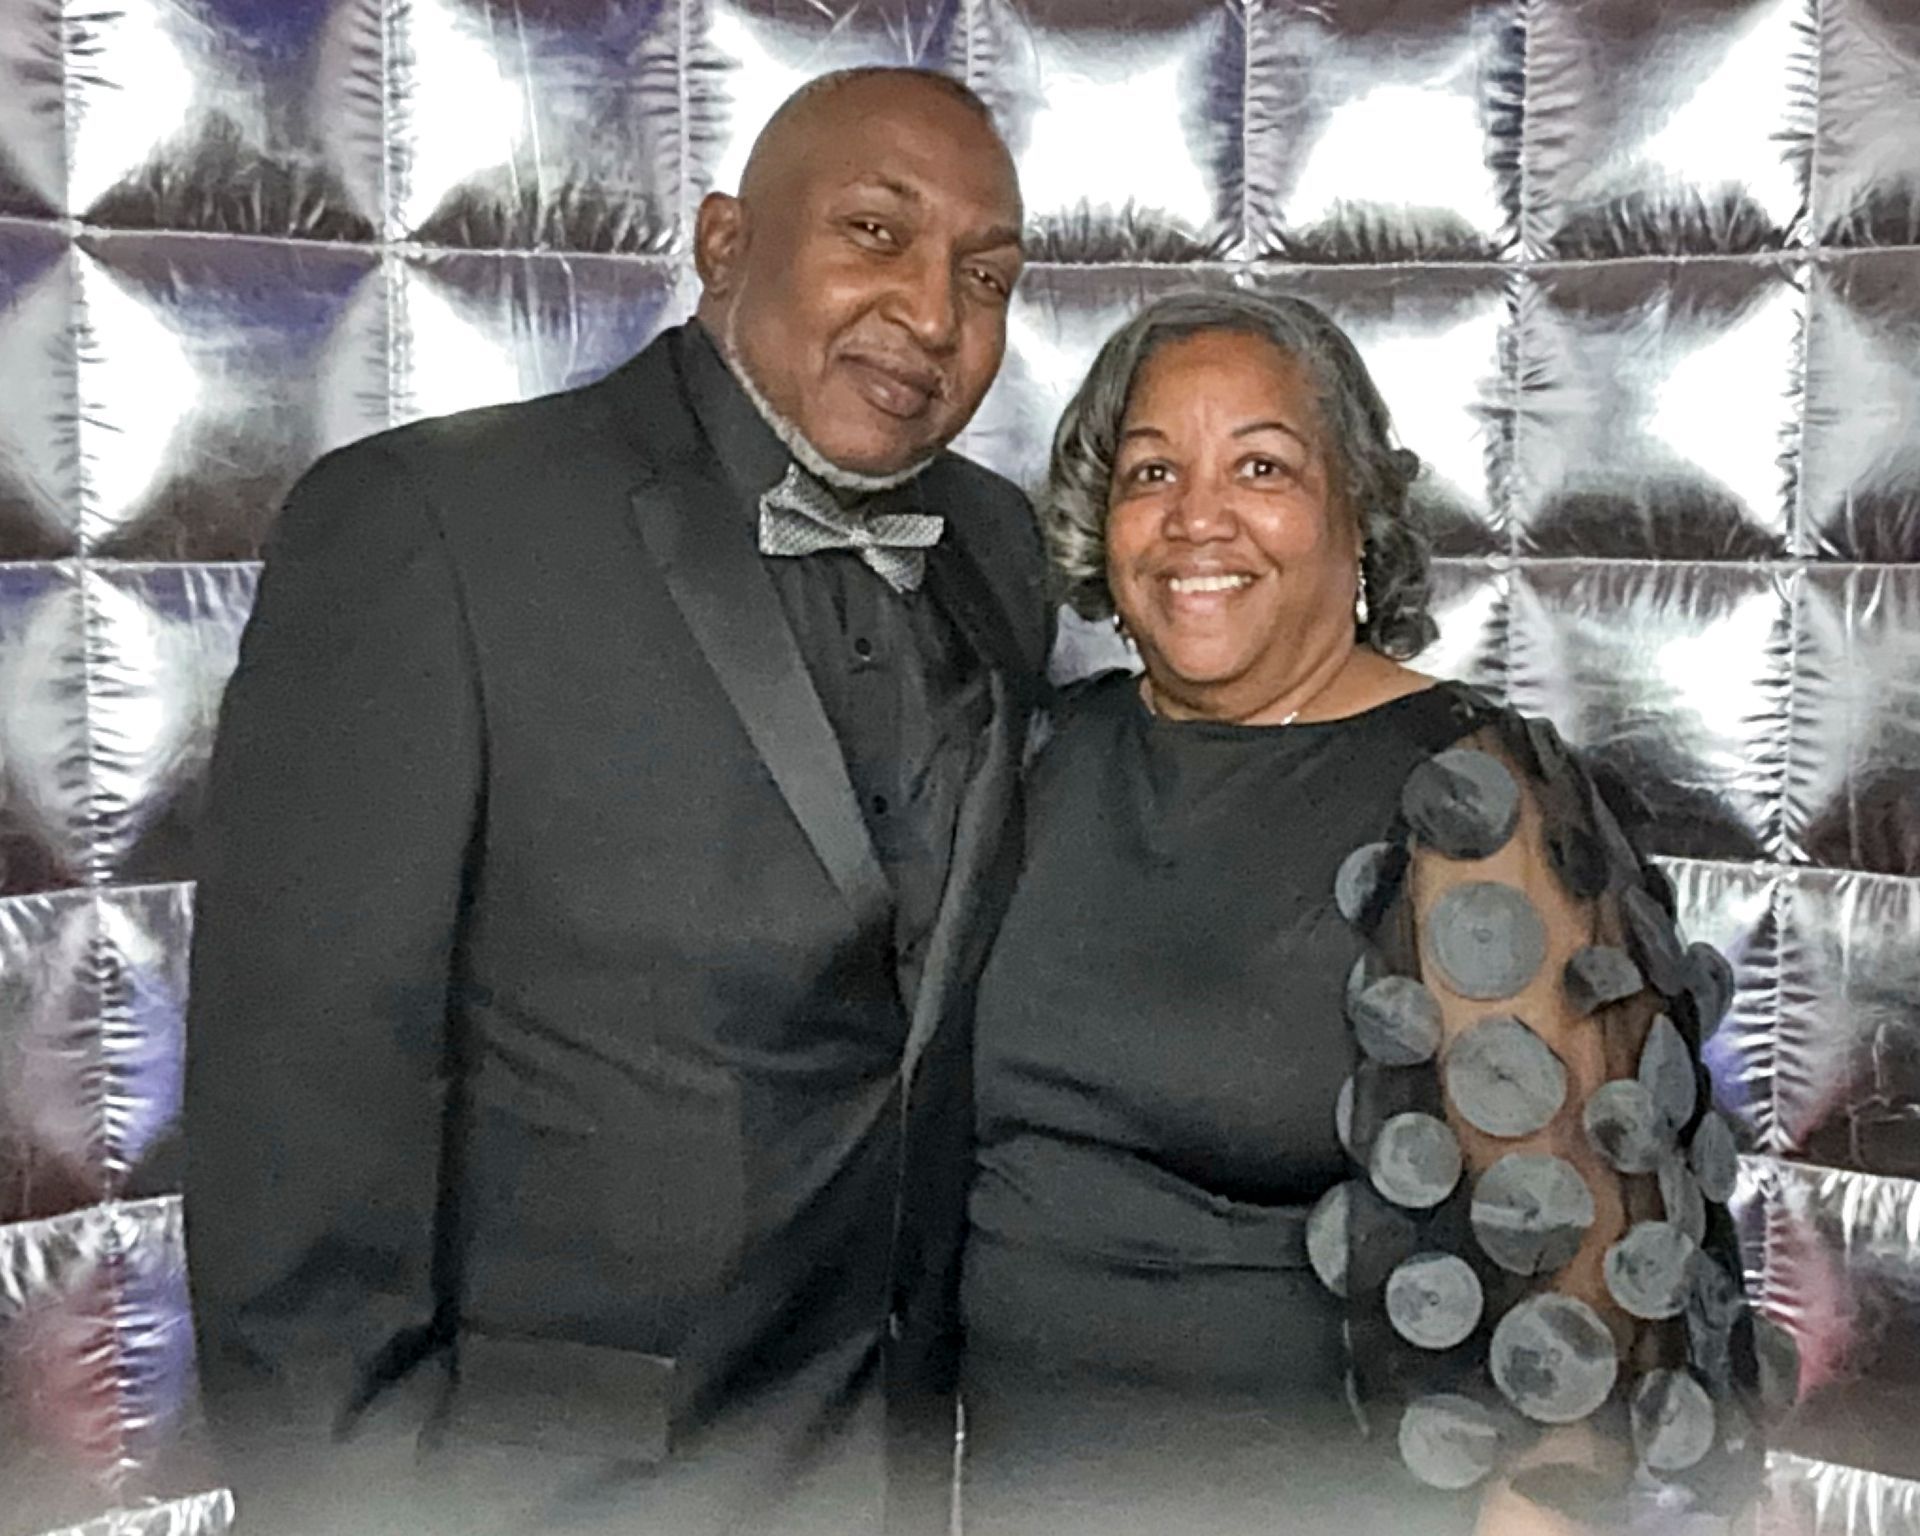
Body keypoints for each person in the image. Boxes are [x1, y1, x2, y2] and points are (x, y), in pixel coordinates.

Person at [184, 67, 1048, 1536]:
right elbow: (297, 1132)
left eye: (987, 275)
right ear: (724, 242)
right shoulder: (439, 524)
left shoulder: (998, 548)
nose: (931, 310)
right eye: (875, 232)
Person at [959, 291, 1783, 1536]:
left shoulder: (1471, 802)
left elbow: (1584, 1323)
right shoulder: (1048, 755)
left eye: (1262, 467)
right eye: (1151, 472)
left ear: (1356, 511)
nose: (1196, 517)